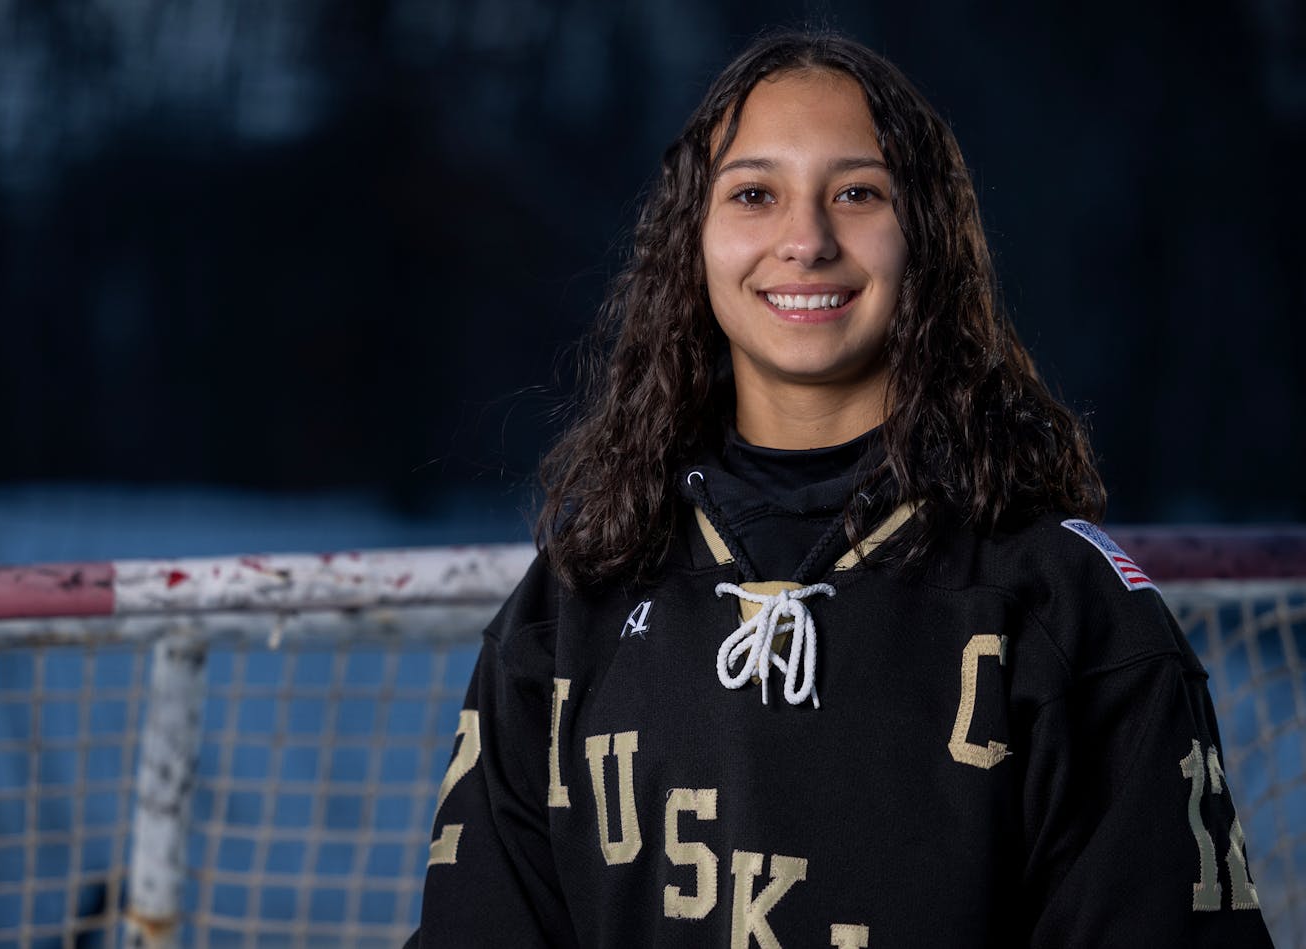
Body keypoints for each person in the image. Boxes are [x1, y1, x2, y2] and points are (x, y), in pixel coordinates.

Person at [406, 30, 1275, 948]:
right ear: (690, 243)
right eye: (754, 194)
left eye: (858, 193)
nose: (806, 240)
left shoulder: (1065, 607)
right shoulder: (569, 606)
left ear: (928, 234)